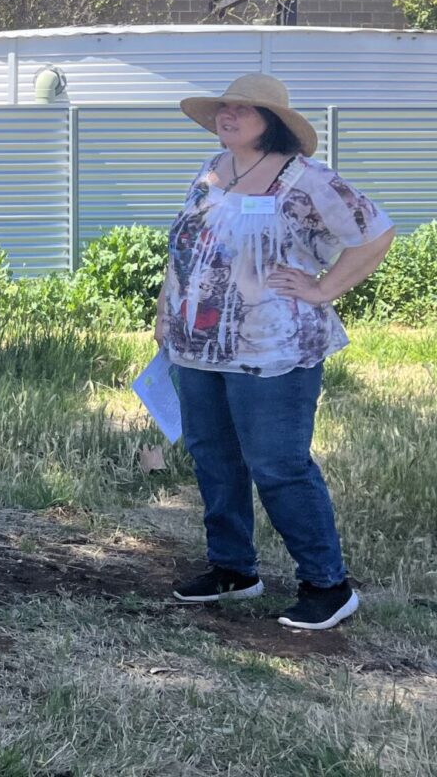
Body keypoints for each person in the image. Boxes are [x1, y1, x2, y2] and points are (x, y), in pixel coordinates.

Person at [157, 73, 394, 631]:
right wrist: (167, 313)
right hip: (198, 346)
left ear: (273, 123)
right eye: (225, 108)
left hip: (272, 348)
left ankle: (327, 586)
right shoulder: (211, 172)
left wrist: (322, 288)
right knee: (214, 458)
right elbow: (189, 249)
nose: (229, 115)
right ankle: (234, 570)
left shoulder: (305, 179)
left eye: (245, 109)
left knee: (279, 467)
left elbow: (375, 233)